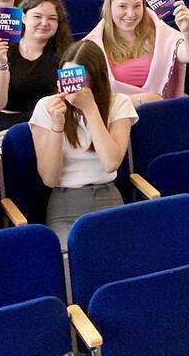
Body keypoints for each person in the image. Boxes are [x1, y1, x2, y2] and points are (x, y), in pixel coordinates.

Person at [29, 39, 136, 244]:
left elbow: (111, 163)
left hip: (108, 195)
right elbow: (50, 178)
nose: (73, 87)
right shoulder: (46, 107)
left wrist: (90, 109)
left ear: (96, 80)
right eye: (67, 78)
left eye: (81, 81)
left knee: (123, 251)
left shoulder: (119, 103)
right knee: (73, 253)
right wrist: (57, 126)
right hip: (65, 200)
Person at [81, 0, 189, 106]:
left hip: (162, 110)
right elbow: (85, 96)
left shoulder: (159, 32)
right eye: (122, 6)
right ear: (109, 7)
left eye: (137, 6)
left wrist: (187, 30)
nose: (131, 14)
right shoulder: (92, 45)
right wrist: (140, 100)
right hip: (116, 113)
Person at [0, 0, 72, 138]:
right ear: (23, 18)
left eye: (52, 18)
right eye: (37, 16)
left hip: (49, 123)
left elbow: (71, 100)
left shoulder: (66, 53)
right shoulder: (2, 49)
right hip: (7, 128)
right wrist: (1, 64)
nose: (44, 23)